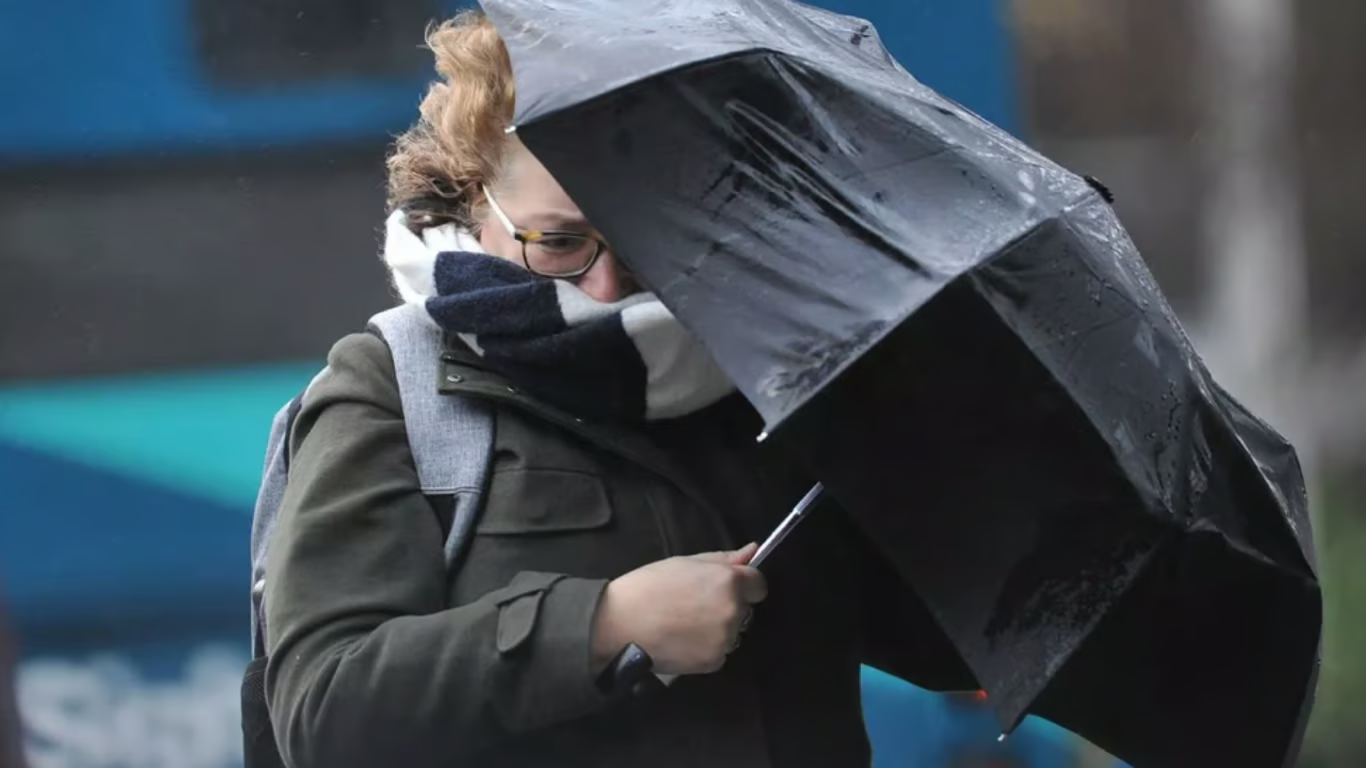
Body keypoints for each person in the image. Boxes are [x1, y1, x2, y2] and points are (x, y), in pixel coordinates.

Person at [262, 10, 933, 768]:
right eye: (559, 242)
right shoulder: (393, 382)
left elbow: (944, 643)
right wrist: (604, 624)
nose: (608, 288)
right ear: (475, 196)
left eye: (645, 241)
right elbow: (323, 713)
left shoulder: (774, 365)